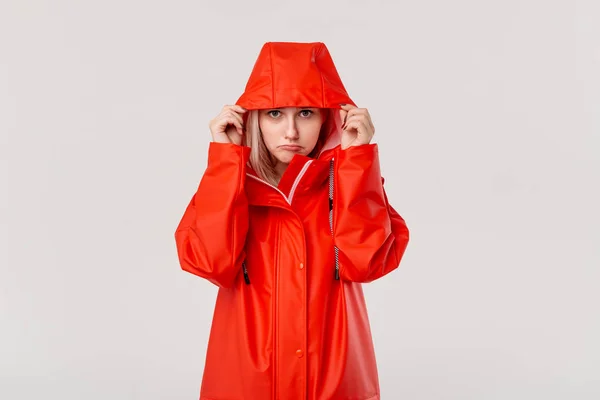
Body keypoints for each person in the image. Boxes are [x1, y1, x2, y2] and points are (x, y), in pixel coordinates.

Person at [174, 41, 410, 400]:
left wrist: (357, 161)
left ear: (329, 117)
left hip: (335, 383)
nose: (290, 132)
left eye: (305, 113)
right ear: (253, 118)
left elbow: (368, 262)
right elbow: (209, 262)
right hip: (246, 384)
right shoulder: (230, 187)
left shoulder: (347, 183)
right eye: (274, 114)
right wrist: (225, 160)